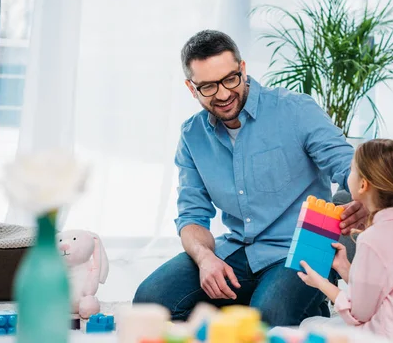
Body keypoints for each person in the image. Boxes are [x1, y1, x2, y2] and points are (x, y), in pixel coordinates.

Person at [133, 30, 368, 326]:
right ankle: (247, 305)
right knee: (149, 301)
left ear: (243, 70)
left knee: (269, 316)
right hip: (237, 249)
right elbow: (192, 216)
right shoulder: (192, 135)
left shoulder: (295, 110)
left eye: (229, 79)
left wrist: (365, 199)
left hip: (301, 249)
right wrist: (206, 258)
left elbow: (348, 166)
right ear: (191, 88)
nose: (222, 94)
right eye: (207, 86)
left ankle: (297, 305)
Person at [297, 139, 393, 342]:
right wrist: (344, 267)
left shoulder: (372, 239)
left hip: (379, 338)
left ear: (363, 184)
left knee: (306, 326)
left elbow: (358, 313)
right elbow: (380, 293)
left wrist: (320, 283)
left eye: (351, 169)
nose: (349, 173)